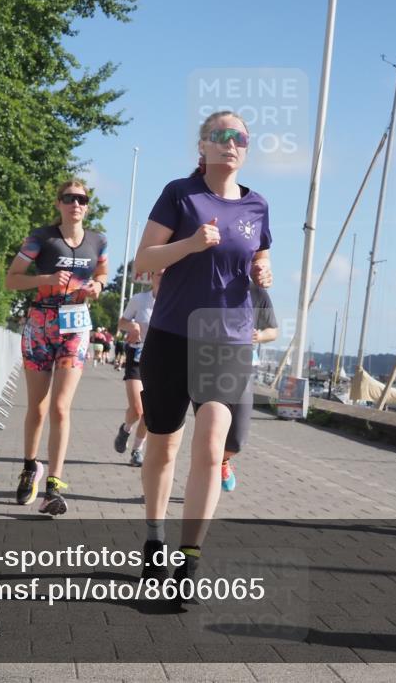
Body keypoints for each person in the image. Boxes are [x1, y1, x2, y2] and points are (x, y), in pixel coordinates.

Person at [134, 110, 272, 590]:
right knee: (163, 443)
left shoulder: (257, 206)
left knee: (213, 444)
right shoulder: (180, 194)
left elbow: (259, 257)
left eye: (240, 137)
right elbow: (143, 260)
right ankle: (155, 537)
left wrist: (263, 271)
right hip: (172, 334)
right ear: (203, 145)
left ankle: (189, 559)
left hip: (227, 338)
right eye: (221, 135)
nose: (231, 143)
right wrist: (190, 244)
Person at [5, 179, 107, 516]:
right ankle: (29, 467)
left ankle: (53, 487)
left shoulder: (98, 240)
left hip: (75, 326)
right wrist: (46, 279)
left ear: (87, 206)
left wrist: (98, 286)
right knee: (38, 406)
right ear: (58, 203)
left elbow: (102, 272)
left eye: (81, 199)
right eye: (69, 198)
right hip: (41, 324)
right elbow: (11, 279)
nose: (76, 204)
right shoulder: (42, 238)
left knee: (61, 408)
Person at [221, 283, 278, 492]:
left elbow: (273, 331)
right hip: (210, 367)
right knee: (210, 432)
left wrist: (259, 336)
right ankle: (205, 472)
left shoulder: (258, 293)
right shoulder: (213, 284)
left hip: (244, 367)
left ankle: (222, 460)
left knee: (237, 439)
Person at [114, 270, 163, 467]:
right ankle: (125, 429)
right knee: (137, 409)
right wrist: (132, 326)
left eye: (167, 274)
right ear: (152, 277)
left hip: (160, 361)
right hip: (137, 357)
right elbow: (121, 323)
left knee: (148, 411)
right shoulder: (139, 299)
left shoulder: (175, 301)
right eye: (159, 274)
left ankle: (137, 450)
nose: (163, 278)